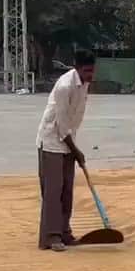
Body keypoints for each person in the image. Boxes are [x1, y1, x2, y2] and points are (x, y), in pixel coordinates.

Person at [36, 51, 96, 252]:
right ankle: (51, 237)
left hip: (69, 141)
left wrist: (74, 149)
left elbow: (73, 120)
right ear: (77, 68)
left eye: (92, 70)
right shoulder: (64, 86)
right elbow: (61, 126)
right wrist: (76, 151)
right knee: (53, 191)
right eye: (87, 70)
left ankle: (64, 233)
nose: (90, 74)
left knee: (66, 191)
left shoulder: (85, 84)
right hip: (52, 142)